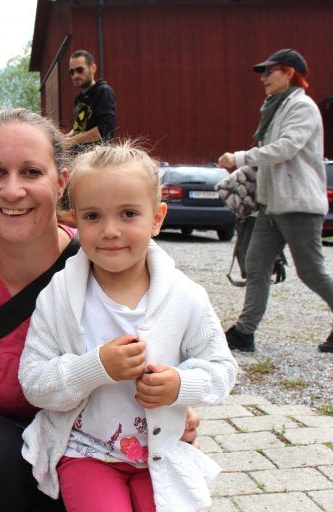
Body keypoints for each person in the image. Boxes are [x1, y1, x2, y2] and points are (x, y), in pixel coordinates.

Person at [0, 109, 201, 512]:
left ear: (62, 181)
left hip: (92, 445)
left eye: (32, 172)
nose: (13, 191)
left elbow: (169, 342)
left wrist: (174, 397)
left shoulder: (109, 258)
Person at [19, 143, 237, 512]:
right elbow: (33, 380)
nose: (109, 230)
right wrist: (95, 367)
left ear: (157, 217)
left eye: (128, 214)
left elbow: (222, 369)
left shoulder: (185, 297)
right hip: (86, 453)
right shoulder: (60, 296)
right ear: (74, 219)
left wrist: (180, 385)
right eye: (92, 216)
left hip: (163, 454)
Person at [217, 48, 333, 353]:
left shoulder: (302, 107)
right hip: (272, 205)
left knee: (311, 271)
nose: (264, 78)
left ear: (289, 73)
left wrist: (240, 158)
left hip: (299, 205)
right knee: (256, 266)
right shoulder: (275, 107)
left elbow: (287, 147)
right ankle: (244, 333)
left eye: (269, 72)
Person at [63, 50, 117, 153]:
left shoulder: (104, 92)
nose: (75, 75)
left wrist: (71, 141)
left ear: (93, 68)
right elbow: (79, 127)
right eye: (71, 72)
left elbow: (104, 130)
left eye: (79, 70)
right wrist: (67, 137)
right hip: (79, 157)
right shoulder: (78, 98)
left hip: (98, 159)